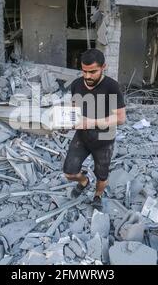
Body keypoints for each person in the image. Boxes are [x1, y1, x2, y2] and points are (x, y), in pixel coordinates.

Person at [63, 48, 126, 211]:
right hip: (82, 137)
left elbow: (120, 118)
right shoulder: (76, 84)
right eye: (84, 71)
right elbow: (74, 107)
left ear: (103, 67)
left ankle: (97, 195)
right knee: (69, 172)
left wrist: (91, 122)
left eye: (93, 71)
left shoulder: (111, 86)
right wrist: (66, 120)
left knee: (102, 175)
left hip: (104, 140)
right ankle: (84, 182)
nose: (88, 76)